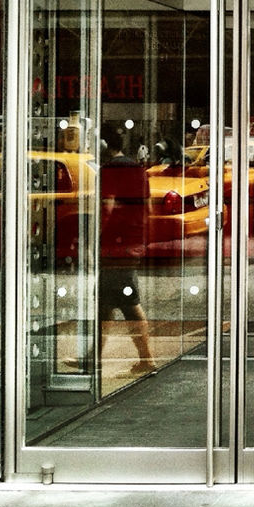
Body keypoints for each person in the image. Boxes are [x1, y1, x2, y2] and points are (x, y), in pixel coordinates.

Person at [99, 125, 156, 376]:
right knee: (105, 301)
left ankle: (147, 359)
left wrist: (95, 238)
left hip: (115, 245)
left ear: (103, 146)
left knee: (129, 301)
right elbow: (148, 207)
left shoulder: (109, 170)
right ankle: (94, 357)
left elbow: (106, 208)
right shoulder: (138, 169)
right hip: (133, 242)